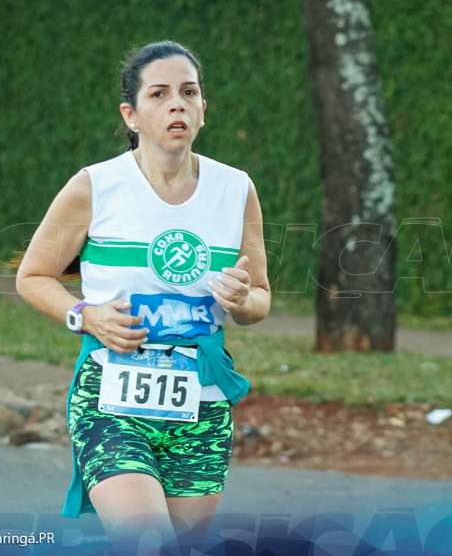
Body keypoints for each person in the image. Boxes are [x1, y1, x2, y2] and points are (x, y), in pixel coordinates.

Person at [16, 41, 270, 550]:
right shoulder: (95, 186)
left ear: (203, 110)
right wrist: (84, 315)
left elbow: (260, 297)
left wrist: (244, 301)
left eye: (188, 92)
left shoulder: (235, 189)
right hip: (112, 400)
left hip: (201, 401)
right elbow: (33, 276)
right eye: (159, 93)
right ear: (130, 114)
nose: (177, 103)